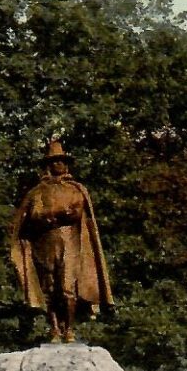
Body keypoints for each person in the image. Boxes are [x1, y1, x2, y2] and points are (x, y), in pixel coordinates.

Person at [10, 140, 112, 343]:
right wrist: (56, 214)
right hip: (45, 244)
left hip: (70, 243)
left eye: (62, 161)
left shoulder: (75, 189)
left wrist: (53, 215)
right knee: (49, 289)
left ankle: (70, 329)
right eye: (55, 161)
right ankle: (55, 329)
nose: (59, 164)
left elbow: (76, 211)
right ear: (48, 164)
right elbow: (34, 214)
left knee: (67, 288)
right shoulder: (38, 191)